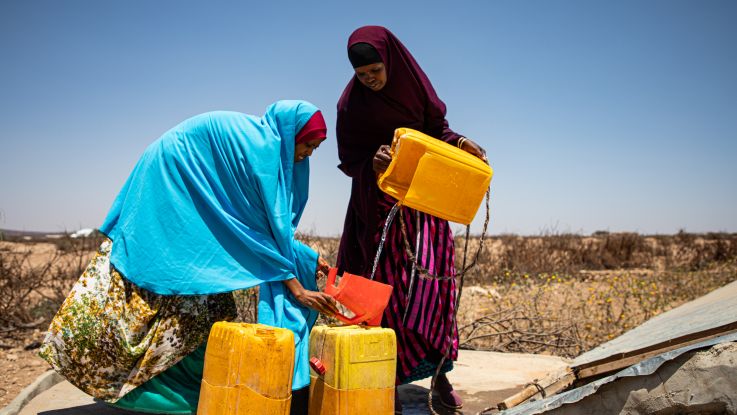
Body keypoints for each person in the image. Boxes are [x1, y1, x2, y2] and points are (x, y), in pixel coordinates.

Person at [40, 100, 338, 415]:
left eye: (315, 149)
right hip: (171, 188)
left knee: (203, 303)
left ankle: (183, 392)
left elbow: (259, 229)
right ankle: (156, 396)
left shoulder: (263, 148)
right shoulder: (259, 153)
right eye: (307, 145)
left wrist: (305, 256)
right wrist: (296, 288)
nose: (308, 155)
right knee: (164, 296)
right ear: (289, 136)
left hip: (186, 193)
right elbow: (252, 233)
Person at [335, 26, 486, 412]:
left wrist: (462, 143)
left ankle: (440, 377)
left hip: (425, 210)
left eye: (376, 71)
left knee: (434, 295)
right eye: (362, 75)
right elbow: (350, 159)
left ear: (391, 62)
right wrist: (372, 160)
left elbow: (439, 132)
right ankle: (386, 386)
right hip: (380, 213)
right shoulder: (349, 107)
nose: (369, 80)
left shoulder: (414, 87)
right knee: (387, 297)